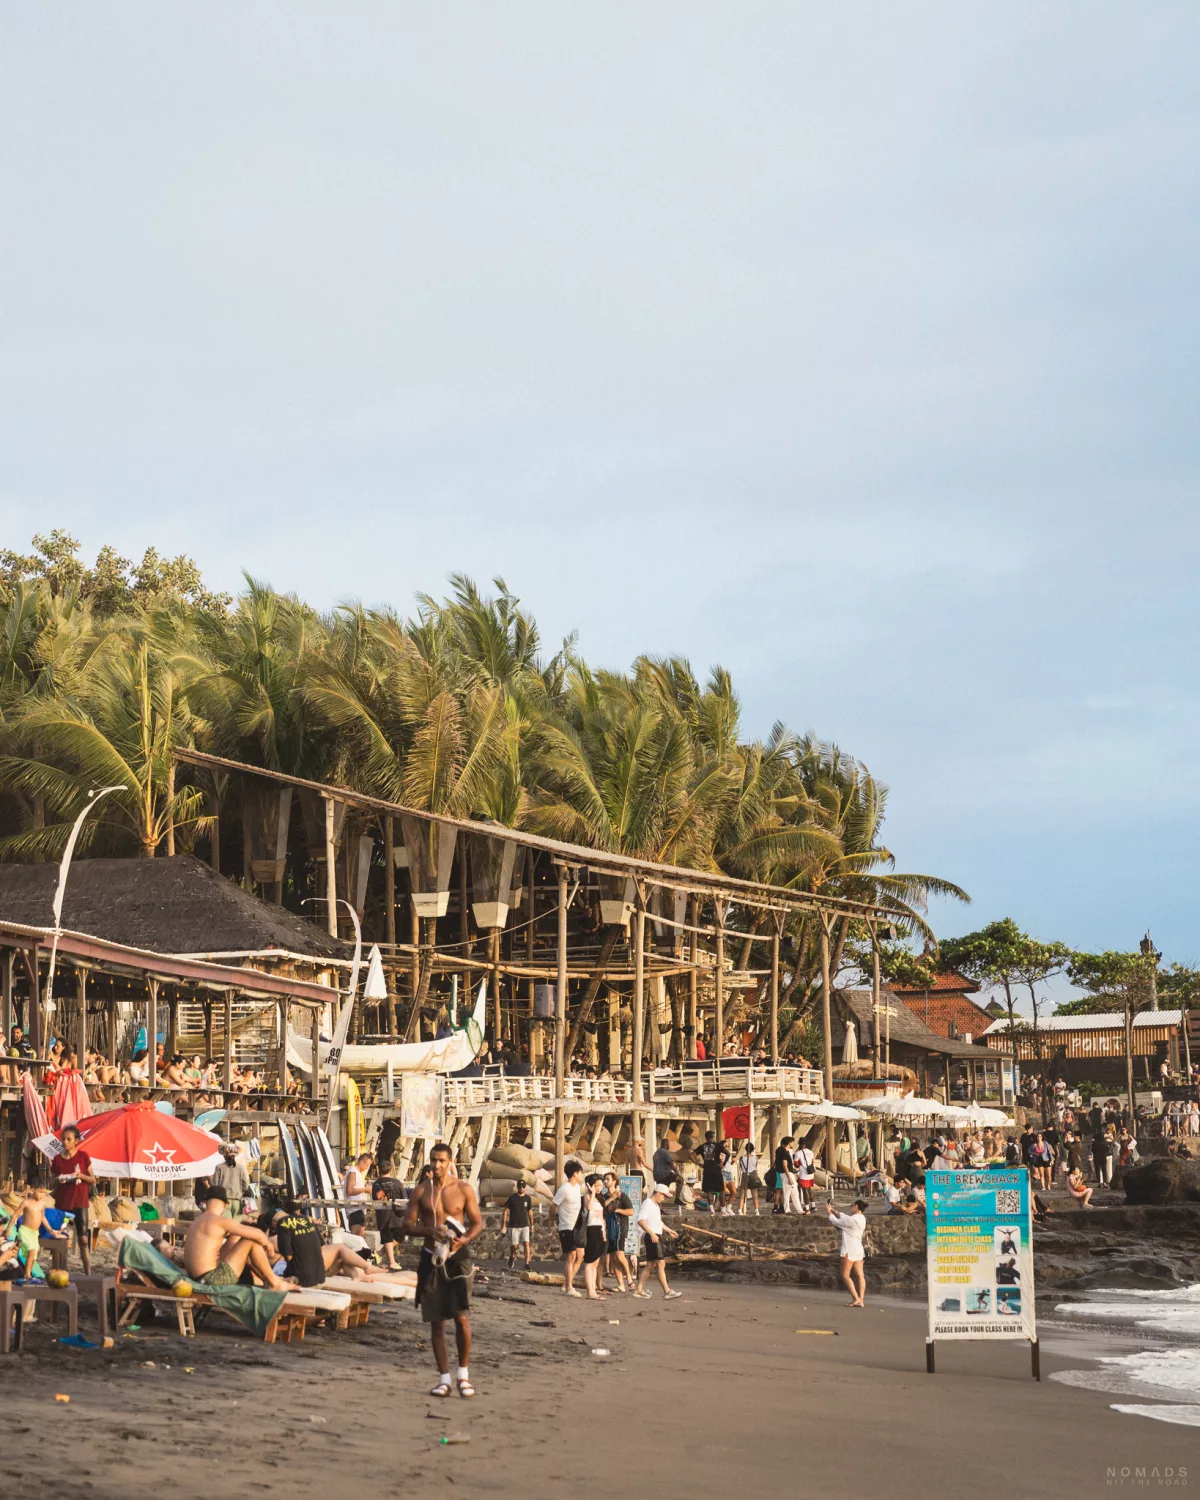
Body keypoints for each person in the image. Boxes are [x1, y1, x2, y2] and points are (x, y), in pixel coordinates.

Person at [400, 1142, 483, 1399]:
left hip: (458, 1259)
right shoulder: (421, 1191)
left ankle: (463, 1375)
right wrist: (429, 1230)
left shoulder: (463, 1189)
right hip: (431, 1258)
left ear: (450, 1162)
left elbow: (477, 1223)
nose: (436, 1165)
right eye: (433, 1160)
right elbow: (406, 1225)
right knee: (437, 1321)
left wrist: (464, 1239)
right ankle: (444, 1379)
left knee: (462, 1317)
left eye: (441, 1161)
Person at [183, 1186, 291, 1290]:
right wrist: (268, 1243)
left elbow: (226, 1244)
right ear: (225, 1205)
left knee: (240, 1243)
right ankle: (274, 1283)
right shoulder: (219, 1220)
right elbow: (257, 1234)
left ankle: (270, 1280)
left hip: (198, 1278)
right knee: (249, 1242)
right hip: (211, 1280)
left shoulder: (196, 1221)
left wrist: (237, 1232)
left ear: (206, 1203)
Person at [50, 1123, 95, 1273]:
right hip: (62, 1203)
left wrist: (80, 1176)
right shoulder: (57, 1159)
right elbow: (53, 1181)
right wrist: (58, 1180)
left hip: (80, 1202)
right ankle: (57, 1270)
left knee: (83, 1239)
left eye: (69, 1139)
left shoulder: (83, 1156)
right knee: (58, 1238)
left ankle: (88, 1272)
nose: (65, 1142)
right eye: (63, 1139)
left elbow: (93, 1179)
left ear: (76, 1140)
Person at [633, 1184, 681, 1300]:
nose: (664, 1198)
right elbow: (640, 1220)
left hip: (654, 1235)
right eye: (664, 1196)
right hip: (652, 1237)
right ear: (658, 1193)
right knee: (661, 1263)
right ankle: (667, 1291)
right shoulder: (647, 1204)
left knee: (650, 1264)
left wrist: (669, 1231)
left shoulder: (654, 1206)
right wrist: (651, 1233)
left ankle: (639, 1289)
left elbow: (658, 1223)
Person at [552, 1159, 585, 1298]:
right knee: (570, 1256)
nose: (582, 1175)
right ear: (575, 1174)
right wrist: (554, 1219)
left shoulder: (577, 1187)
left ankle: (567, 1284)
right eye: (580, 1173)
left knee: (579, 1256)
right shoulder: (564, 1189)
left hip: (576, 1226)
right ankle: (568, 1286)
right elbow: (553, 1205)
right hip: (566, 1227)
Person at [827, 1197, 868, 1308]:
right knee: (860, 1275)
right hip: (859, 1249)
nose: (851, 1207)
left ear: (856, 1207)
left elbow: (835, 1221)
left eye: (852, 1205)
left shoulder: (850, 1220)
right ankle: (861, 1300)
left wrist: (829, 1213)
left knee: (845, 1275)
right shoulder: (862, 1218)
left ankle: (856, 1298)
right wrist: (833, 1210)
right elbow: (844, 1217)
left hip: (849, 1249)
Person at [601, 1172, 633, 1291]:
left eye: (608, 1179)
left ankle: (629, 1277)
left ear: (614, 1181)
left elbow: (630, 1211)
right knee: (613, 1257)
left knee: (619, 1255)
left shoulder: (622, 1196)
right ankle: (621, 1284)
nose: (605, 1181)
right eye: (604, 1179)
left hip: (620, 1229)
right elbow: (601, 1207)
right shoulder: (605, 1197)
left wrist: (617, 1210)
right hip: (609, 1230)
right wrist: (612, 1198)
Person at [582, 1174, 609, 1299]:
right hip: (591, 1229)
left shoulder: (600, 1198)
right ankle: (590, 1291)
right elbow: (589, 1207)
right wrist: (592, 1193)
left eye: (600, 1185)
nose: (598, 1188)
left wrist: (604, 1233)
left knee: (596, 1263)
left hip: (599, 1230)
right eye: (596, 1185)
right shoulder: (587, 1197)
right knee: (589, 1261)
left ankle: (593, 1290)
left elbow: (602, 1217)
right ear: (590, 1185)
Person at [209, 1143, 251, 1219]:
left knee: (226, 1226)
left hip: (224, 1201)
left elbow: (215, 1185)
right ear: (234, 1156)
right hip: (237, 1201)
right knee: (235, 1227)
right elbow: (245, 1185)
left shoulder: (219, 1167)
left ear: (224, 1155)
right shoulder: (241, 1168)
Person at [501, 1180, 534, 1270]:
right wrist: (504, 1224)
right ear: (517, 1187)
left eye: (523, 1187)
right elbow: (506, 1211)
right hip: (514, 1226)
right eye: (520, 1187)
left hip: (525, 1225)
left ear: (525, 1187)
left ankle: (527, 1264)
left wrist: (532, 1225)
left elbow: (530, 1212)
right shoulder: (512, 1198)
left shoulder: (528, 1198)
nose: (521, 1188)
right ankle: (512, 1256)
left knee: (526, 1243)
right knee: (515, 1246)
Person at [694, 1133, 727, 1212]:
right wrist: (723, 1164)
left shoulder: (702, 1147)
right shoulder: (718, 1145)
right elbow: (728, 1154)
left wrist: (699, 1164)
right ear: (713, 1137)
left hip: (707, 1169)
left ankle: (712, 1209)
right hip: (716, 1168)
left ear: (706, 1138)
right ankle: (723, 1209)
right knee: (721, 1190)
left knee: (709, 1190)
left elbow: (691, 1156)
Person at [342, 1152, 373, 1231]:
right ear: (361, 1162)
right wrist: (365, 1189)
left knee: (359, 1237)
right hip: (355, 1210)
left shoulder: (357, 1173)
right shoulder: (353, 1172)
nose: (367, 1167)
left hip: (359, 1209)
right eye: (367, 1165)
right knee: (357, 1237)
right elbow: (349, 1191)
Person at [737, 1141, 762, 1215]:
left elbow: (741, 1168)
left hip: (745, 1175)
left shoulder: (741, 1158)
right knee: (755, 1194)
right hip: (753, 1175)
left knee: (742, 1194)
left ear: (745, 1149)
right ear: (753, 1149)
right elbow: (755, 1167)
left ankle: (740, 1210)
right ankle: (757, 1211)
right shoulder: (755, 1158)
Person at [793, 1139, 815, 1214]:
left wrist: (799, 1165)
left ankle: (807, 1208)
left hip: (803, 1174)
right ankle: (813, 1206)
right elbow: (812, 1162)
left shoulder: (798, 1153)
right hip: (811, 1173)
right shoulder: (811, 1152)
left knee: (805, 1191)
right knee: (809, 1190)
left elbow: (795, 1164)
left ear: (800, 1144)